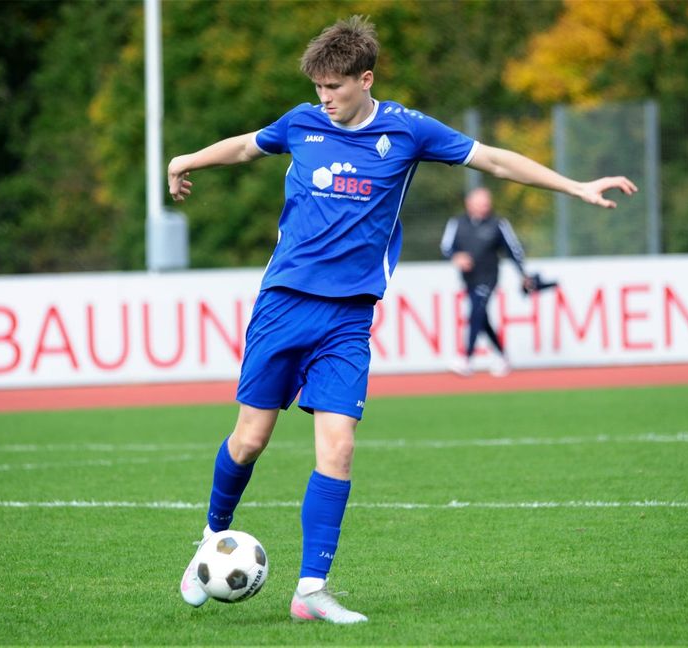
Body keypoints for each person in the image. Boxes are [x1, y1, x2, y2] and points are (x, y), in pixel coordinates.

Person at [167, 16, 637, 623]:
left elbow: (492, 160)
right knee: (250, 439)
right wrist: (186, 160)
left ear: (365, 79)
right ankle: (210, 539)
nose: (325, 99)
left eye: (335, 87)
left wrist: (574, 187)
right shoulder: (301, 124)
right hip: (283, 304)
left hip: (349, 320)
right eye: (318, 89)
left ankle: (311, 591)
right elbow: (242, 146)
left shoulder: (408, 131)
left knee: (338, 448)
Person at [440, 187, 553, 377]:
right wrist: (456, 257)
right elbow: (446, 248)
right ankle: (502, 356)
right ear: (469, 203)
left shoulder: (498, 223)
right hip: (469, 279)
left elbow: (513, 250)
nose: (485, 207)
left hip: (489, 276)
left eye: (487, 203)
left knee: (476, 310)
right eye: (480, 203)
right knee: (481, 317)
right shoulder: (457, 223)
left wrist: (522, 274)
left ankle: (466, 358)